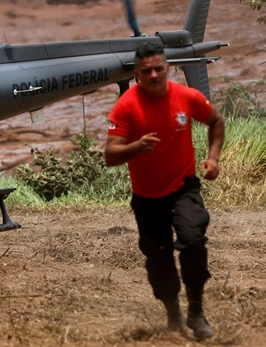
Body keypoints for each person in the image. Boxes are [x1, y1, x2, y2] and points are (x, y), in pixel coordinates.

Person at [104, 44, 225, 340]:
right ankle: (173, 312)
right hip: (146, 197)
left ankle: (196, 312)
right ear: (137, 75)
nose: (154, 75)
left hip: (183, 187)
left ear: (168, 68)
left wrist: (213, 158)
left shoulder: (186, 97)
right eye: (146, 71)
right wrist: (135, 147)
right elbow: (110, 155)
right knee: (158, 258)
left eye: (159, 68)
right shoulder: (126, 106)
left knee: (193, 240)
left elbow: (216, 121)